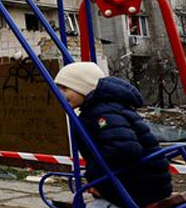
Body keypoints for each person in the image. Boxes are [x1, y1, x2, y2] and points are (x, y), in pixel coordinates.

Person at [54, 62, 173, 208]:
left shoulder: (102, 112)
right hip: (145, 181)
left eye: (65, 88)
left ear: (83, 87)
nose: (60, 94)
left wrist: (95, 177)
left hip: (143, 186)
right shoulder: (102, 108)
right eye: (58, 88)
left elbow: (125, 149)